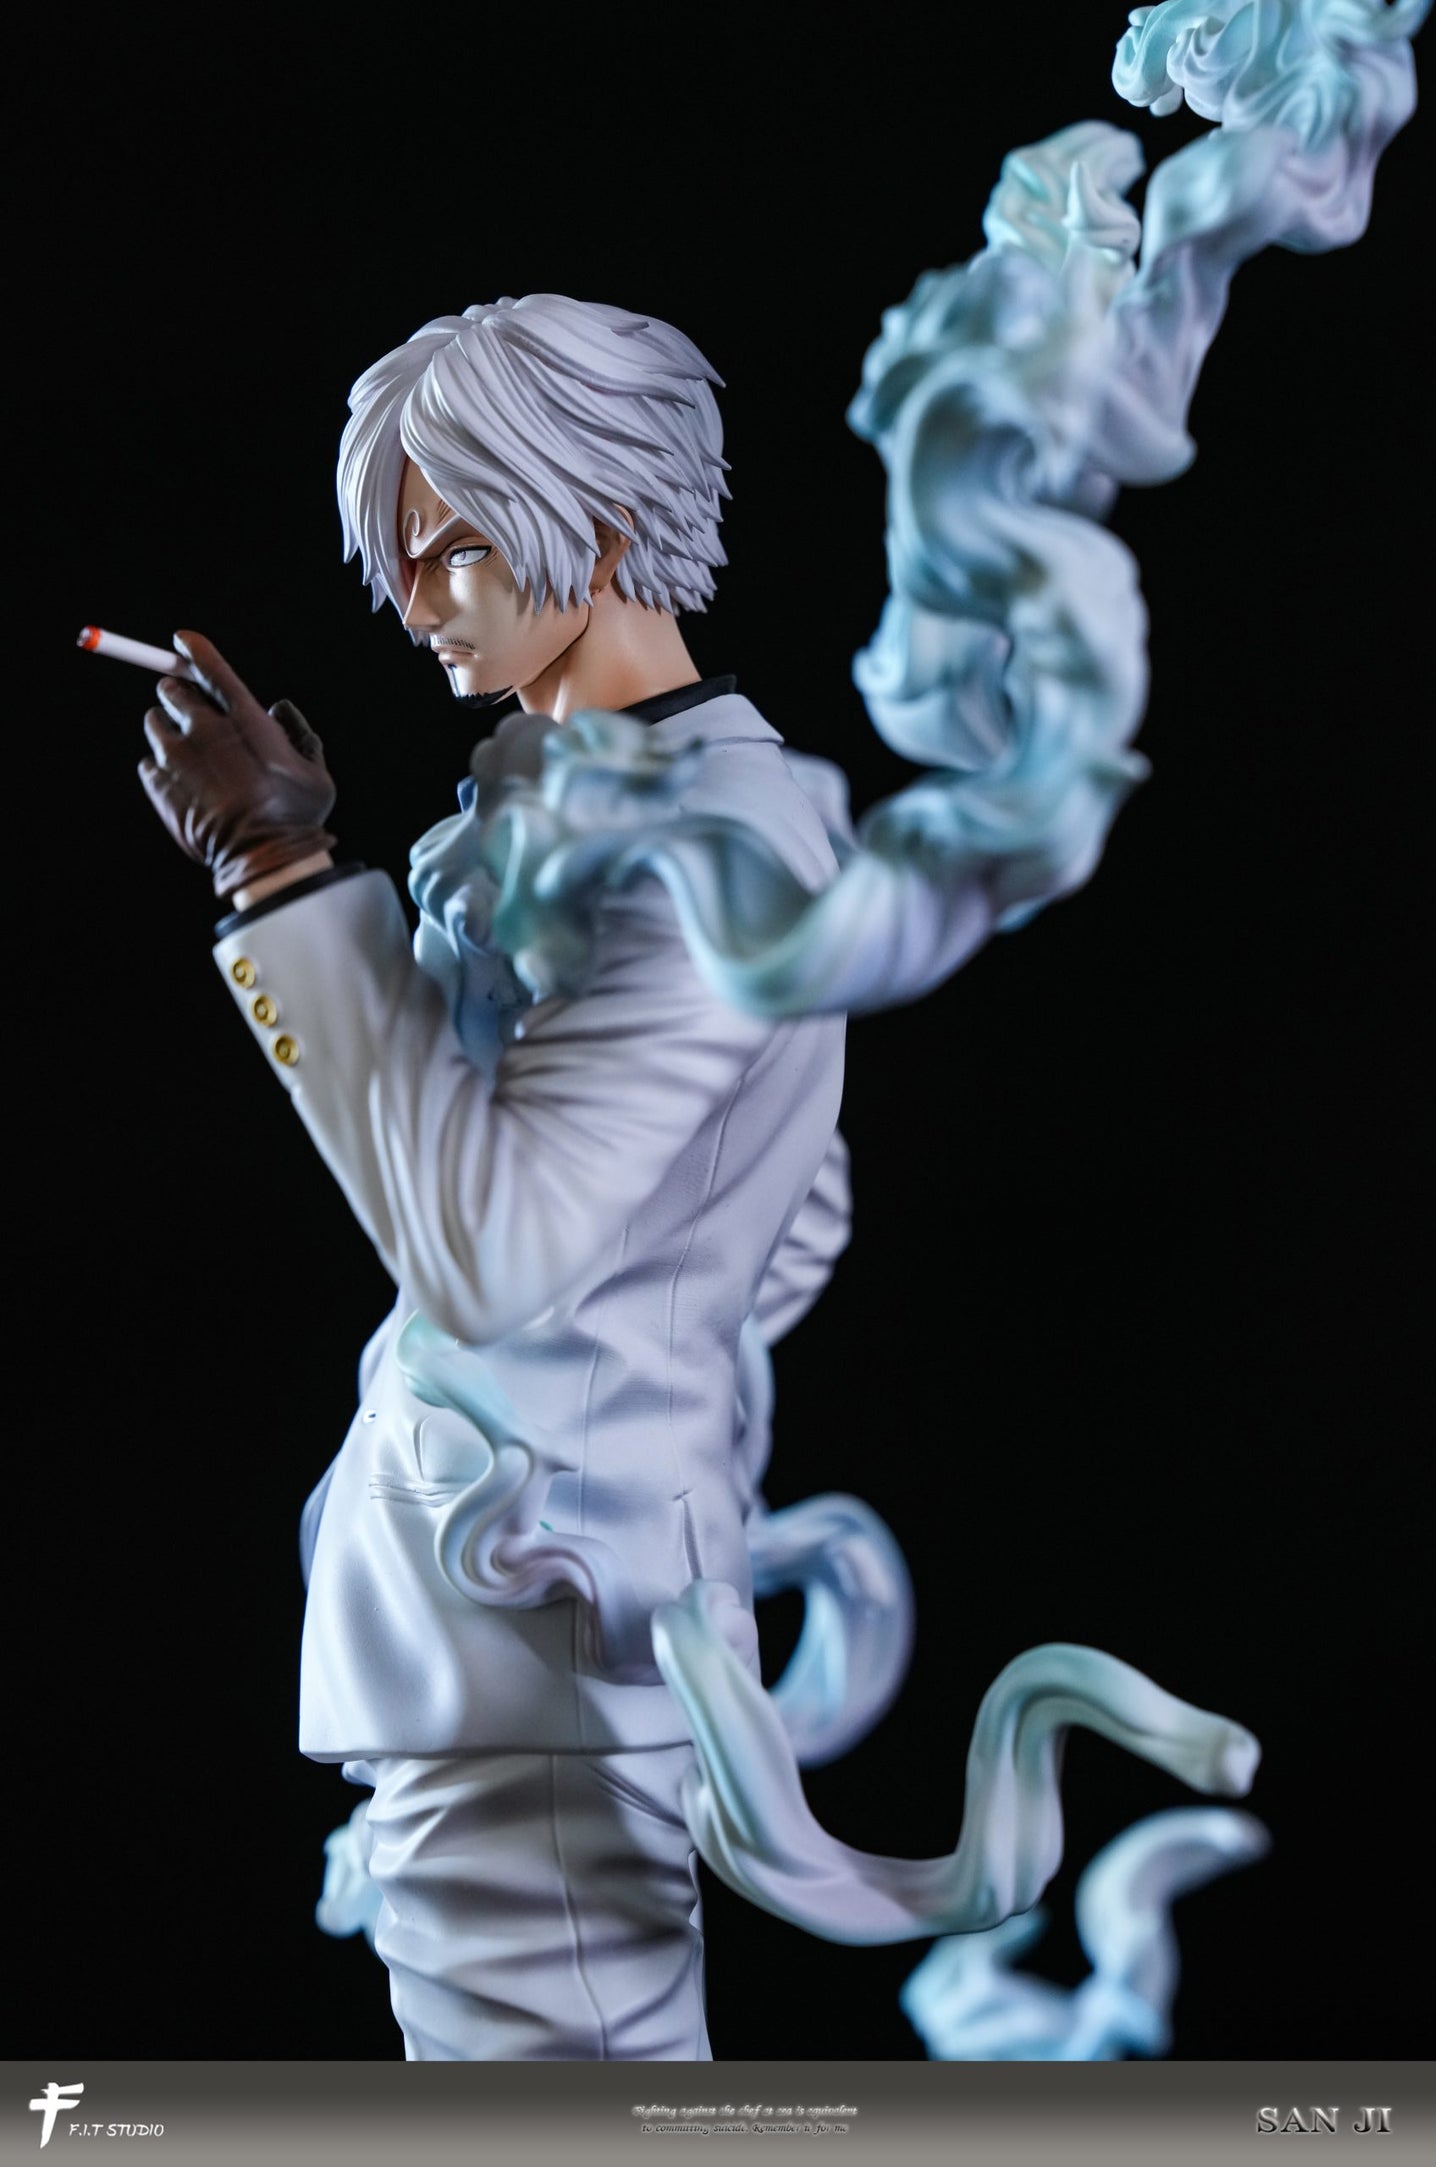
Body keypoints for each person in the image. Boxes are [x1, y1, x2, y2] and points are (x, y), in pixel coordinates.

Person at [137, 293, 853, 2062]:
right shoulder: (590, 813)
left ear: (598, 522)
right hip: (526, 1602)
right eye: (400, 556)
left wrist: (277, 875)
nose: (416, 602)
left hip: (534, 1613)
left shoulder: (704, 845)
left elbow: (489, 1244)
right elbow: (793, 1215)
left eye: (455, 546)